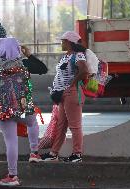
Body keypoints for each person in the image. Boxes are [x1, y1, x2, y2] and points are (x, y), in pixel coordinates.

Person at [0, 36, 48, 186]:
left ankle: (13, 175)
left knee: (11, 142)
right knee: (32, 124)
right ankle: (34, 152)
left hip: (4, 108)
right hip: (23, 106)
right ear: (18, 48)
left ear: (0, 49)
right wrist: (29, 55)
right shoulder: (24, 62)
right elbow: (43, 69)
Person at [41, 31, 89, 163]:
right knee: (61, 126)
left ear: (69, 42)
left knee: (75, 126)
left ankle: (77, 154)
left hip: (71, 94)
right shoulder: (65, 57)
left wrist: (71, 84)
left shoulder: (78, 55)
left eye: (63, 41)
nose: (61, 43)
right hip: (63, 95)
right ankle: (53, 153)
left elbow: (84, 71)